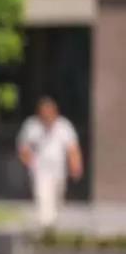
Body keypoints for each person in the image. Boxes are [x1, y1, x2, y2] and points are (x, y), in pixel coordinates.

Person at [17, 96, 83, 232]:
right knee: (43, 196)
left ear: (55, 112)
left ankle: (52, 224)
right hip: (40, 170)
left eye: (49, 112)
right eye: (44, 112)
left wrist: (76, 165)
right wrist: (28, 161)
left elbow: (72, 148)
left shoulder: (64, 126)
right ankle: (46, 226)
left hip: (59, 170)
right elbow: (23, 147)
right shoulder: (31, 126)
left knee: (57, 199)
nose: (47, 115)